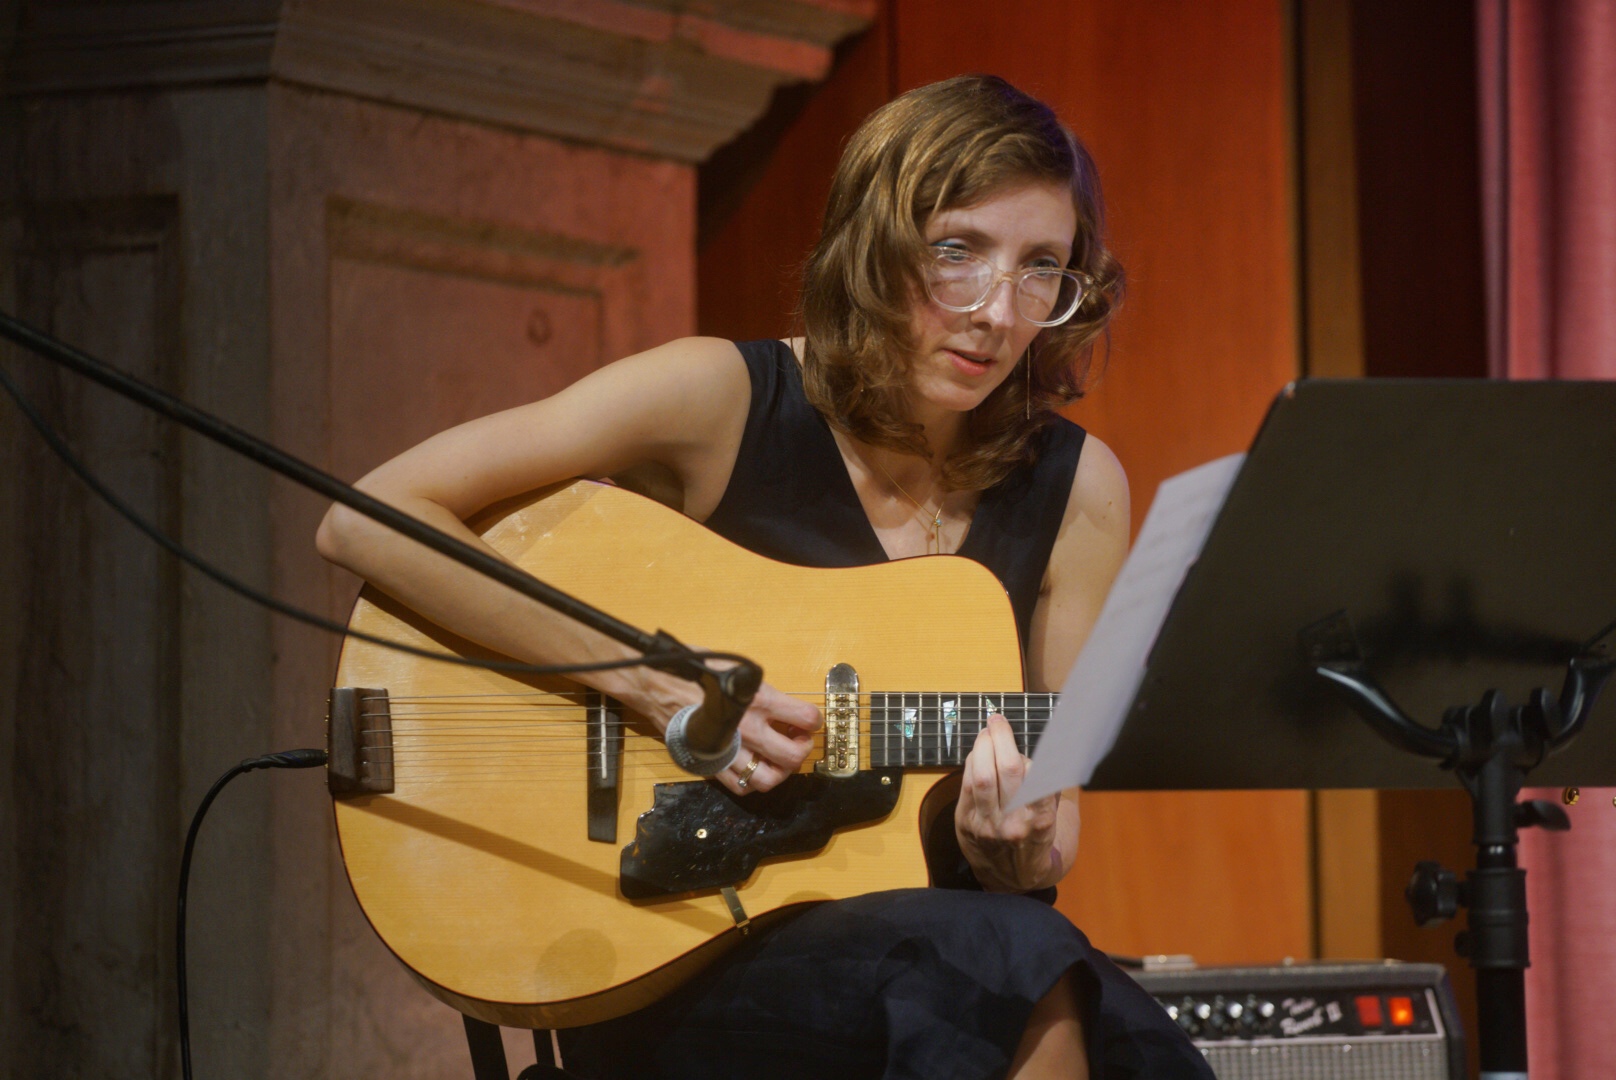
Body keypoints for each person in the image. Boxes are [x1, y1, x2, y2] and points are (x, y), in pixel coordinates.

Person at [317, 74, 1212, 1079]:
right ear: (875, 244)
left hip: (936, 958)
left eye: (1041, 268)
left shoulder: (1076, 489)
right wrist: (647, 681)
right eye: (956, 253)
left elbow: (1052, 825)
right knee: (1018, 972)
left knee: (1123, 1033)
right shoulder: (717, 399)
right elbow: (369, 517)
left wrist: (1016, 844)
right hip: (684, 945)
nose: (998, 313)